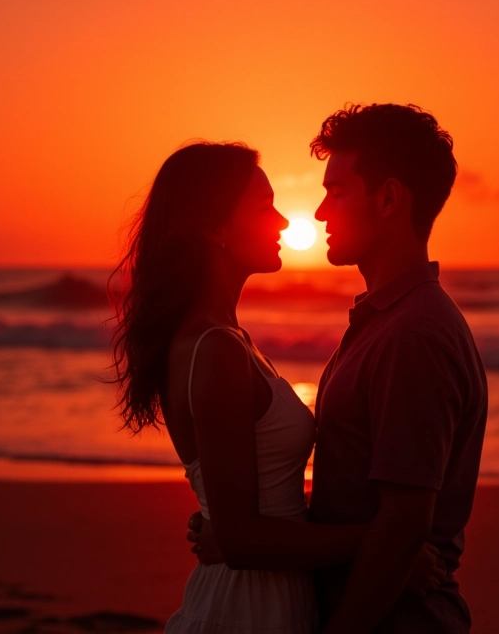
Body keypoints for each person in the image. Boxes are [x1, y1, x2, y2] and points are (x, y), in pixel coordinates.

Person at [110, 141, 443, 634]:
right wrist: (385, 545)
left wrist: (227, 534)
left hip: (267, 596)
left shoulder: (227, 340)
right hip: (245, 608)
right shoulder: (216, 349)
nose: (285, 221)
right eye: (264, 206)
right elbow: (244, 541)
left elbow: (238, 528)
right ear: (215, 227)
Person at [192, 104, 488, 633]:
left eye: (337, 192)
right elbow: (357, 498)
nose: (321, 213)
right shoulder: (384, 322)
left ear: (390, 198)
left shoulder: (413, 335)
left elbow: (403, 523)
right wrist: (249, 538)